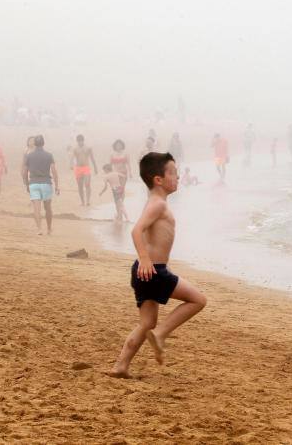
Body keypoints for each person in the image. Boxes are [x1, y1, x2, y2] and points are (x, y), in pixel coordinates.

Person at [109, 153, 206, 378]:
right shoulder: (158, 204)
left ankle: (121, 365)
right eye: (172, 172)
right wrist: (144, 258)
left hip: (144, 271)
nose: (178, 176)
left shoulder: (156, 202)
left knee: (146, 323)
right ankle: (161, 334)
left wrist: (143, 261)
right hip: (154, 270)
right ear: (158, 179)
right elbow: (136, 230)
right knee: (198, 300)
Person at [22, 135, 59, 235]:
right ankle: (49, 229)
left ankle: (39, 229)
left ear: (35, 144)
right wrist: (57, 186)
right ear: (43, 143)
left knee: (36, 208)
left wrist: (26, 184)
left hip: (33, 183)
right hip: (46, 183)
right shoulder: (49, 155)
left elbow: (25, 172)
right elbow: (54, 171)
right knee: (48, 208)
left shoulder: (29, 156)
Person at [71, 134, 98, 206]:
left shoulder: (88, 148)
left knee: (87, 184)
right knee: (80, 186)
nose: (80, 142)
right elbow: (73, 158)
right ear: (77, 141)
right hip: (78, 168)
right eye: (79, 141)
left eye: (81, 141)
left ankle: (88, 201)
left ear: (83, 141)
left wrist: (95, 168)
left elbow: (92, 158)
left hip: (86, 167)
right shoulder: (75, 149)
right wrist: (71, 165)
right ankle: (82, 201)